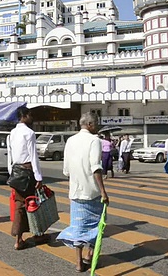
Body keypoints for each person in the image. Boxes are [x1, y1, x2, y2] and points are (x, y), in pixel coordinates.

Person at [57, 112, 110, 273]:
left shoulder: (70, 140)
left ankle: (79, 262)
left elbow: (66, 170)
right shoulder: (95, 140)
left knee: (78, 228)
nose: (98, 127)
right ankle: (90, 256)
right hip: (92, 193)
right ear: (90, 125)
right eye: (97, 123)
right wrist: (103, 192)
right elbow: (96, 168)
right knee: (96, 226)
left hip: (75, 192)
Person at [7, 106, 48, 250]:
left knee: (19, 205)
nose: (32, 117)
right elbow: (33, 157)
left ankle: (18, 239)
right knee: (33, 204)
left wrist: (10, 172)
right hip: (27, 171)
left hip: (16, 171)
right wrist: (39, 177)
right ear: (24, 116)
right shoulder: (29, 133)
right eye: (30, 115)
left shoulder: (12, 133)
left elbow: (10, 154)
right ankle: (38, 234)